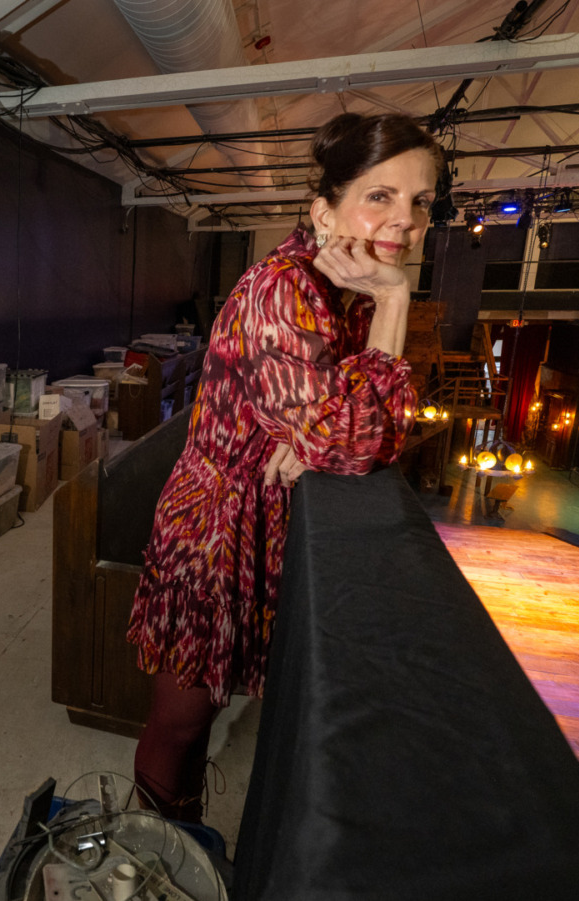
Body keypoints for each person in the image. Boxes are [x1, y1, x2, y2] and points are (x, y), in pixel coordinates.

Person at [125, 112, 433, 822]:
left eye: (420, 201)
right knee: (180, 719)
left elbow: (361, 429)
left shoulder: (337, 289)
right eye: (380, 196)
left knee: (201, 716)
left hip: (262, 518)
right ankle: (153, 847)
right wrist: (395, 300)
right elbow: (356, 437)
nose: (405, 220)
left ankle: (184, 833)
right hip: (214, 528)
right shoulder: (281, 292)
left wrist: (316, 432)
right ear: (323, 209)